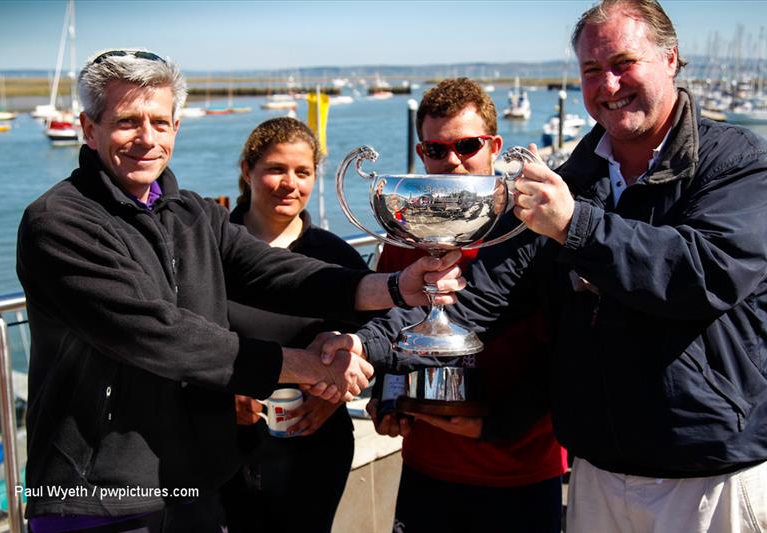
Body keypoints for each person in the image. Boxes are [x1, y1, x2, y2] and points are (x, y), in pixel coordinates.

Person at [326, 1, 767, 532]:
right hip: (597, 470)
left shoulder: (737, 161)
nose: (608, 84)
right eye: (590, 70)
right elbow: (481, 295)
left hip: (708, 473)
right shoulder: (576, 178)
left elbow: (703, 275)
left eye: (624, 63)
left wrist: (574, 225)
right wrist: (361, 346)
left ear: (670, 59)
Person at [16, 49, 463, 532]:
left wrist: (395, 286)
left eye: (160, 122)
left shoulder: (192, 213)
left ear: (176, 129)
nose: (147, 138)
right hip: (98, 496)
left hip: (194, 485)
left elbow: (272, 271)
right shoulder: (59, 222)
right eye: (127, 122)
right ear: (89, 128)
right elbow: (159, 334)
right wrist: (302, 366)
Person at [372, 78, 566, 533]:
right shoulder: (404, 234)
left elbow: (563, 351)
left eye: (467, 145)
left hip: (520, 469)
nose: (453, 161)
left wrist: (493, 425)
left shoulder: (538, 230)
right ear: (421, 154)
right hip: (428, 465)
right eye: (437, 150)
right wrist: (387, 400)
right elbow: (387, 326)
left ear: (495, 146)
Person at [219, 117, 364, 532]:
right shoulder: (210, 249)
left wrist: (335, 395)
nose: (290, 184)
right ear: (247, 171)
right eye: (275, 169)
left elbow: (377, 338)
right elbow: (180, 339)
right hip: (225, 448)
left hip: (315, 447)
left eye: (303, 172)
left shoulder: (335, 256)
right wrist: (218, 398)